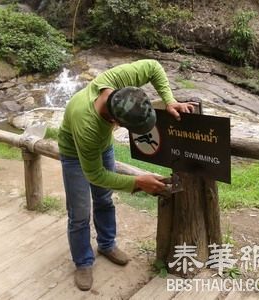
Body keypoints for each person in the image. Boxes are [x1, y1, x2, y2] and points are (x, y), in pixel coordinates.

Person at [58, 59, 195, 291]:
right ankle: (83, 261)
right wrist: (138, 182)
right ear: (116, 121)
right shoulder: (87, 124)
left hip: (102, 146)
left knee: (104, 199)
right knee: (80, 211)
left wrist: (169, 100)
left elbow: (153, 67)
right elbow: (95, 174)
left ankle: (106, 244)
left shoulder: (114, 82)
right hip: (73, 154)